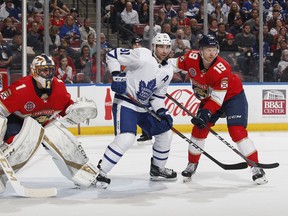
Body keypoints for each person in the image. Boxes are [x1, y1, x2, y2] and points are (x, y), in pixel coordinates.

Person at [168, 34, 268, 185]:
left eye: (214, 49)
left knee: (237, 131)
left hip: (232, 97)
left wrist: (205, 113)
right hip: (210, 99)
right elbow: (170, 64)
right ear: (200, 51)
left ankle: (255, 167)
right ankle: (192, 164)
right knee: (199, 130)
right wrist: (158, 74)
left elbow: (217, 100)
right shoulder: (190, 58)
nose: (212, 53)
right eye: (208, 49)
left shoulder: (222, 68)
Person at [0, 54, 103, 194]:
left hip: (45, 121)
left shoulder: (59, 86)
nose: (48, 74)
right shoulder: (20, 89)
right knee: (21, 144)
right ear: (34, 71)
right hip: (19, 122)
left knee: (62, 139)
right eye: (44, 70)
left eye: (50, 70)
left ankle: (87, 175)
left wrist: (77, 111)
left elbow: (67, 108)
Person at [97, 33, 177, 188]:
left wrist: (162, 111)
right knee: (127, 138)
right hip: (126, 102)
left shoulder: (168, 70)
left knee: (165, 133)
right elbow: (112, 55)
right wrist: (116, 75)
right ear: (153, 46)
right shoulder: (141, 55)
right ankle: (100, 171)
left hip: (145, 107)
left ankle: (157, 169)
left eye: (167, 47)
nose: (164, 50)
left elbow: (157, 96)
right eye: (160, 46)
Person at [129, 36, 153, 144]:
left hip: (143, 86)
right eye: (135, 44)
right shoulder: (129, 55)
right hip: (133, 86)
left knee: (143, 110)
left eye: (139, 44)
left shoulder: (146, 56)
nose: (137, 46)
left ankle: (147, 133)